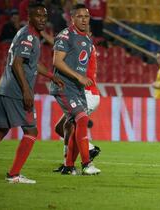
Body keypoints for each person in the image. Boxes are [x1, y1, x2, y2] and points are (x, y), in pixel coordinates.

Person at [0, 3, 64, 184]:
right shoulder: (28, 35)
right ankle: (14, 175)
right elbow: (17, 63)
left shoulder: (29, 34)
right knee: (31, 131)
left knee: (1, 130)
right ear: (29, 17)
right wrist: (26, 90)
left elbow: (31, 64)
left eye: (44, 16)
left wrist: (51, 76)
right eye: (38, 16)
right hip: (16, 91)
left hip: (6, 88)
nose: (42, 19)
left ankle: (14, 174)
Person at [50, 4, 101, 175]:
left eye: (86, 17)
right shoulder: (66, 35)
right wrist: (79, 77)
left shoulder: (86, 40)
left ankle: (69, 166)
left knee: (73, 123)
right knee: (79, 120)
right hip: (66, 87)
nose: (84, 19)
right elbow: (57, 61)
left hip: (79, 90)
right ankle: (86, 163)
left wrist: (80, 80)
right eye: (79, 16)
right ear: (72, 18)